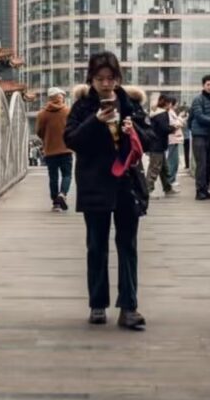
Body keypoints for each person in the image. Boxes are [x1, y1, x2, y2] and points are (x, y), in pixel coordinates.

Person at [64, 51, 155, 330]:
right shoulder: (82, 107)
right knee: (96, 245)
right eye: (99, 79)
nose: (105, 84)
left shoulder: (131, 104)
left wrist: (134, 130)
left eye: (111, 79)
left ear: (118, 79)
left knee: (128, 245)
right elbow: (71, 140)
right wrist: (96, 121)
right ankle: (98, 304)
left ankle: (129, 307)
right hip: (95, 185)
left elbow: (151, 138)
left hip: (126, 184)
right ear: (91, 79)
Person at [35, 86, 73, 211]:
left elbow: (39, 131)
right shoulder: (68, 111)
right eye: (62, 96)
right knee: (67, 175)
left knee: (53, 177)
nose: (63, 98)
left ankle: (55, 203)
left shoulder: (42, 114)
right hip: (66, 149)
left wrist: (46, 138)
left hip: (50, 150)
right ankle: (62, 194)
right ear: (59, 97)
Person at [189, 74, 210, 200]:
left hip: (208, 135)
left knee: (208, 163)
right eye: (208, 84)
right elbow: (199, 117)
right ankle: (199, 191)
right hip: (199, 135)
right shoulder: (198, 99)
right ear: (203, 86)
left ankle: (205, 190)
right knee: (201, 164)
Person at [145, 94, 174, 196]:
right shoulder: (162, 114)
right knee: (155, 168)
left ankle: (168, 188)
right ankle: (147, 190)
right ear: (166, 103)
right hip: (158, 145)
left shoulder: (155, 113)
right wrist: (174, 128)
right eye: (170, 103)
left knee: (163, 168)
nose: (171, 106)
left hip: (156, 144)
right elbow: (164, 129)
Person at [166, 97, 184, 190]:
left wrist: (179, 119)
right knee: (172, 161)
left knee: (175, 161)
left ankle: (171, 180)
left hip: (175, 139)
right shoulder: (169, 113)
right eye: (176, 104)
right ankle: (170, 181)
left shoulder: (172, 113)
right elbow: (175, 124)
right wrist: (180, 119)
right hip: (172, 140)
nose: (177, 105)